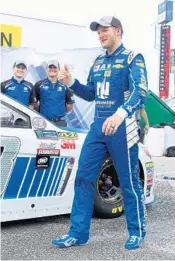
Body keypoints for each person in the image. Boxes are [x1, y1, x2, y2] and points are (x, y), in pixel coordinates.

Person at [52, 16, 148, 250]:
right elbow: (90, 94)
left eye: (104, 30)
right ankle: (78, 233)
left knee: (129, 182)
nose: (100, 35)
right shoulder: (97, 61)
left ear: (118, 31)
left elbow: (141, 91)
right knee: (83, 178)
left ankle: (137, 232)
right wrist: (71, 82)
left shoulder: (132, 58)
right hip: (98, 127)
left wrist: (121, 114)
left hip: (122, 127)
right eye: (98, 32)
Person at [34, 60, 75, 127]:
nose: (52, 69)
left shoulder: (64, 86)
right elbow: (34, 103)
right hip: (44, 122)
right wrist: (43, 111)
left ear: (58, 69)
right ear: (47, 69)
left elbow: (70, 106)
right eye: (50, 67)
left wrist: (58, 111)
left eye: (54, 67)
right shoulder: (38, 85)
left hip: (60, 123)